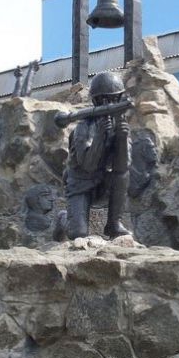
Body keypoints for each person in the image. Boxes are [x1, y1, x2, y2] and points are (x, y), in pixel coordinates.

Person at [62, 71, 132, 239]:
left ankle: (114, 224)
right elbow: (88, 165)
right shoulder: (83, 128)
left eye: (114, 99)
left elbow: (123, 167)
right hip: (80, 184)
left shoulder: (120, 123)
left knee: (122, 175)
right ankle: (64, 219)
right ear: (96, 101)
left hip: (103, 182)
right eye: (103, 100)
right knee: (78, 234)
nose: (108, 104)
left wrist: (121, 138)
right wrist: (100, 136)